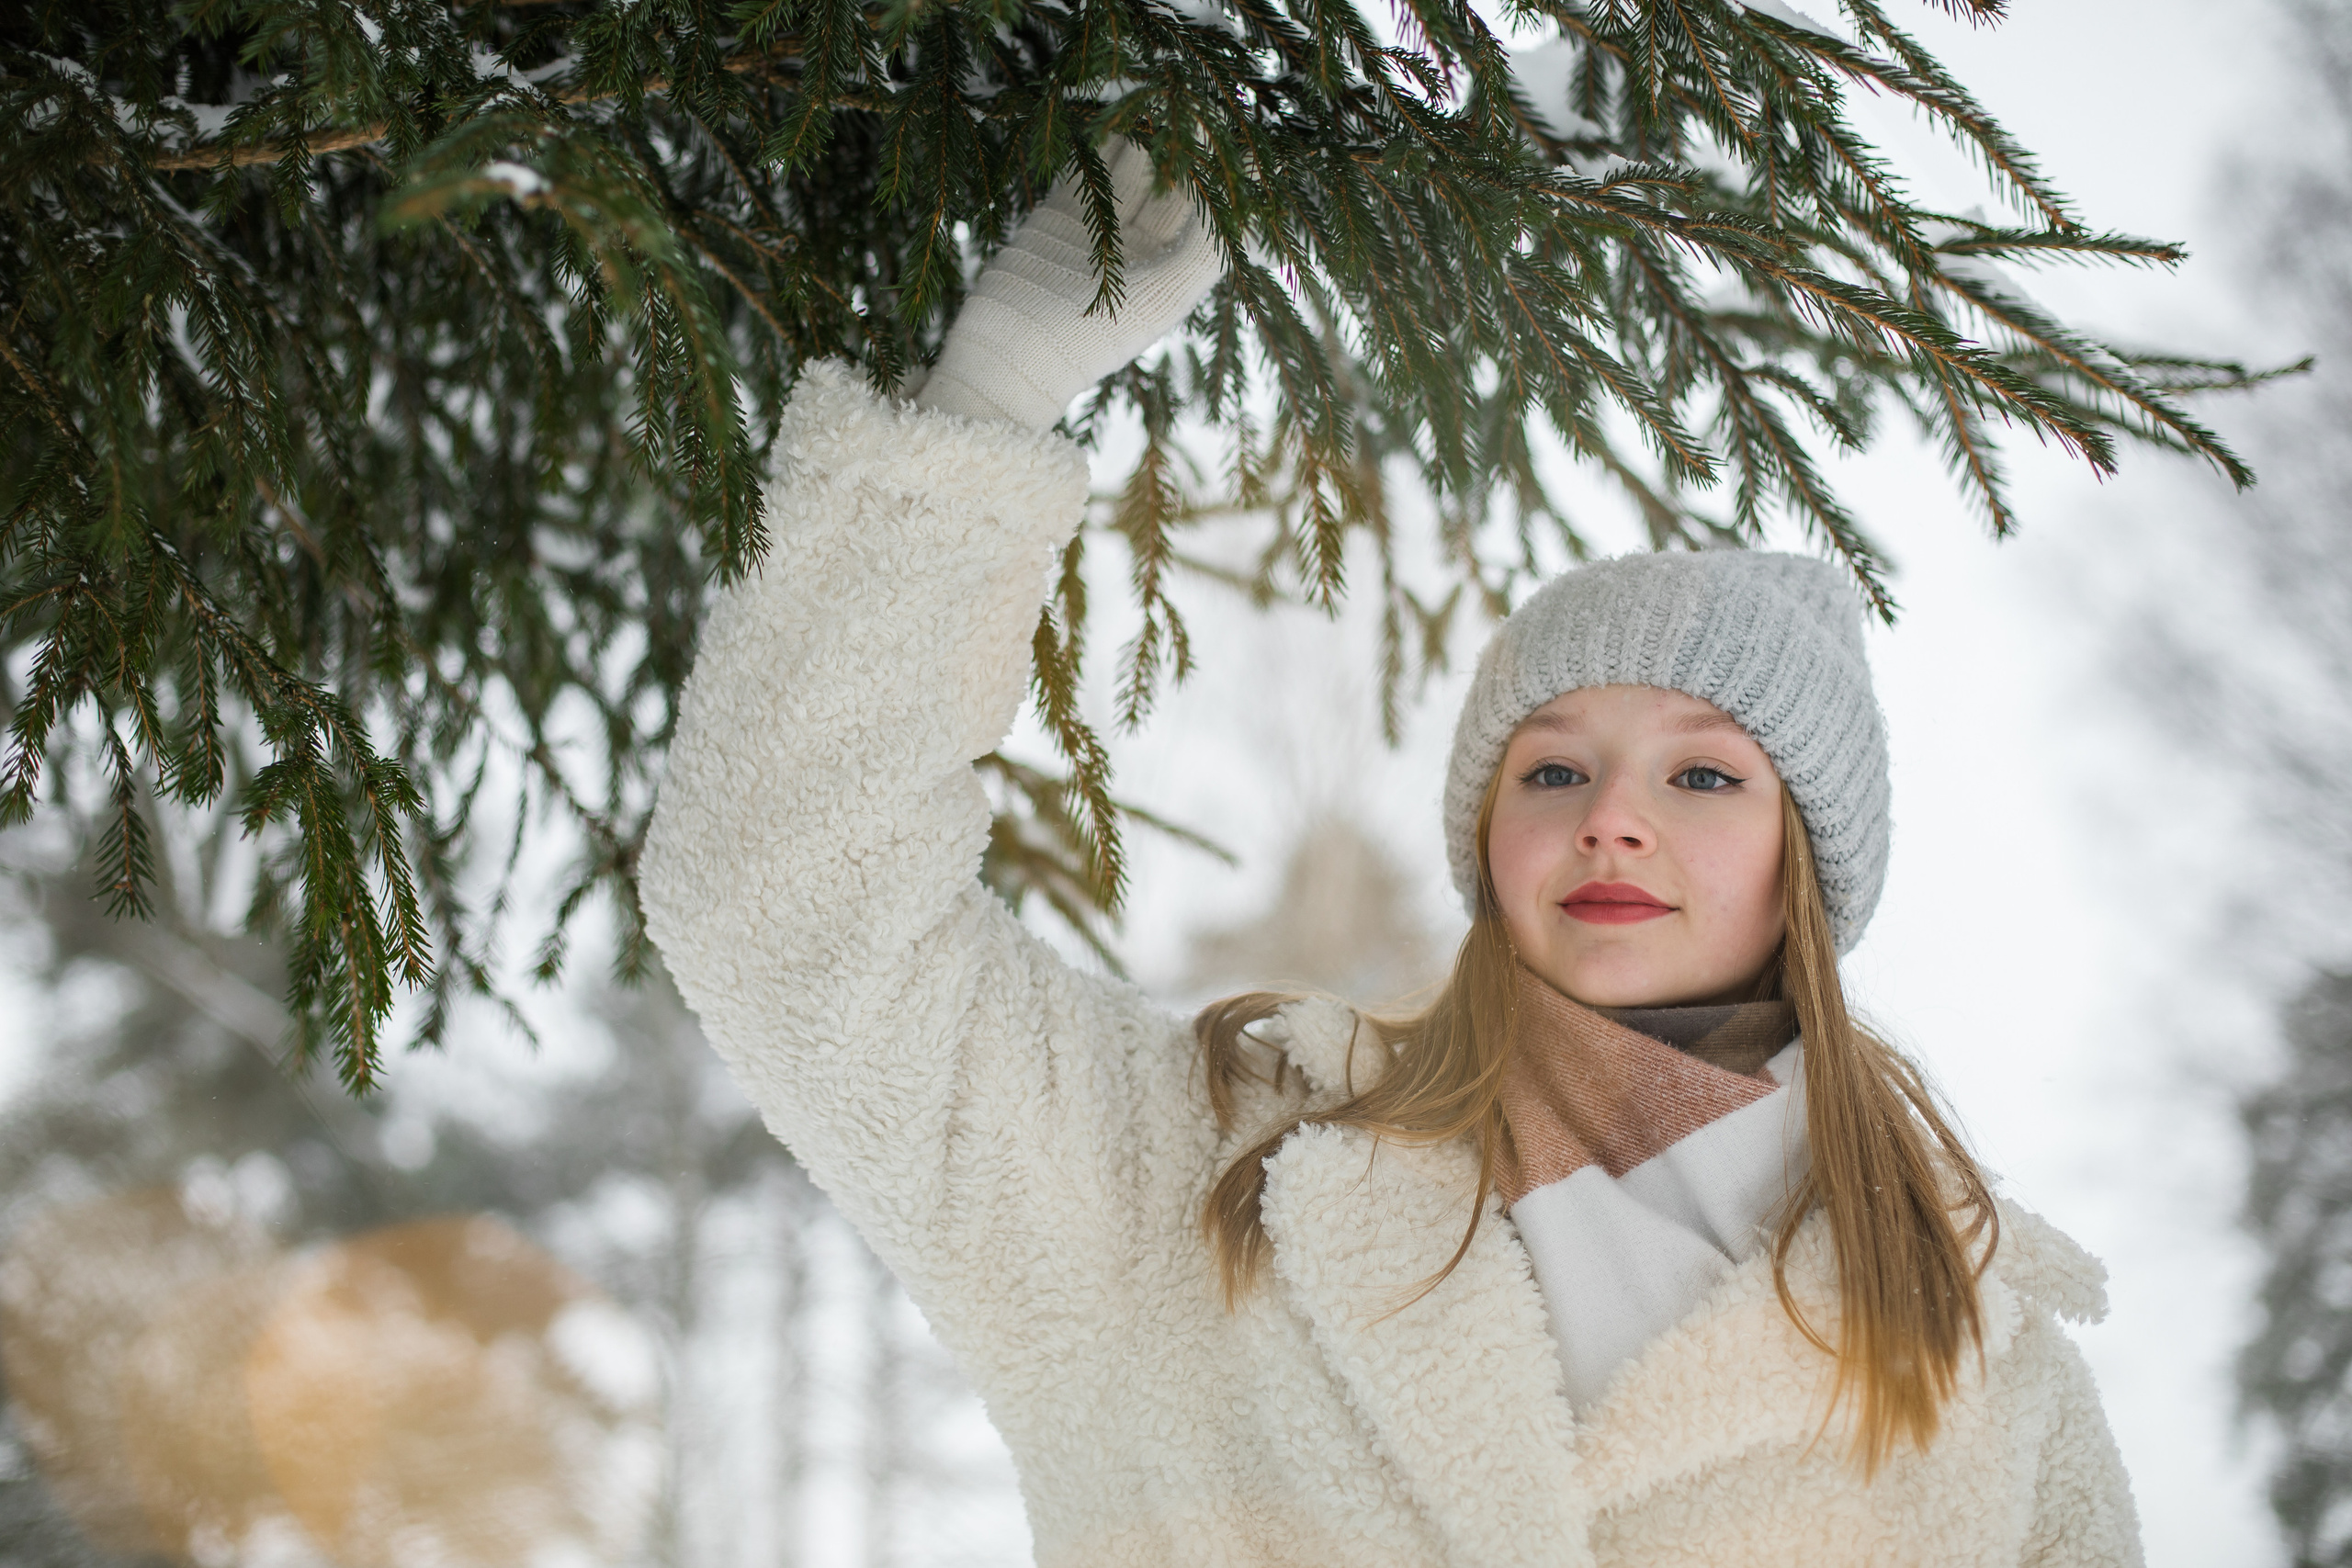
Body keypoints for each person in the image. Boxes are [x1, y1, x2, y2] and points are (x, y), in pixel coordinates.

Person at [641, 141, 2139, 1567]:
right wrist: (994, 391)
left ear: (1809, 863)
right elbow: (783, 909)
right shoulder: (1204, 1186)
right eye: (1553, 769)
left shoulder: (1989, 1375)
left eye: (1702, 774)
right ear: (1488, 843)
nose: (1613, 818)